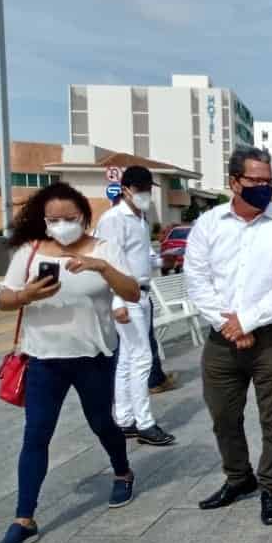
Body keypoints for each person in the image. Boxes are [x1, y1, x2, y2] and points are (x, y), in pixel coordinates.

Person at [0, 183, 140, 543]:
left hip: (94, 357)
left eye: (69, 219)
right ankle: (23, 519)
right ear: (43, 220)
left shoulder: (104, 250)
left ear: (83, 217)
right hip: (43, 359)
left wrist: (103, 268)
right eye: (53, 219)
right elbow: (4, 300)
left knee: (101, 422)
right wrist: (25, 295)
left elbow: (133, 292)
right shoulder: (29, 252)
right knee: (36, 435)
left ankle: (122, 471)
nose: (61, 225)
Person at [186, 147, 272, 527]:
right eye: (255, 181)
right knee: (223, 415)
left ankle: (270, 487)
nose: (263, 188)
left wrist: (248, 321)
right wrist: (229, 325)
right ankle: (239, 478)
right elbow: (197, 279)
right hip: (222, 340)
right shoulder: (209, 224)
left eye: (268, 181)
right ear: (234, 182)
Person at [94, 166, 175, 447]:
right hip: (125, 296)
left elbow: (144, 256)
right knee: (141, 358)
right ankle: (144, 423)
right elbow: (108, 263)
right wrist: (117, 301)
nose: (146, 195)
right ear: (126, 189)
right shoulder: (113, 220)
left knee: (129, 359)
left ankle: (125, 419)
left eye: (148, 190)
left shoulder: (139, 218)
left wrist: (162, 261)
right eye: (141, 189)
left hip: (141, 293)